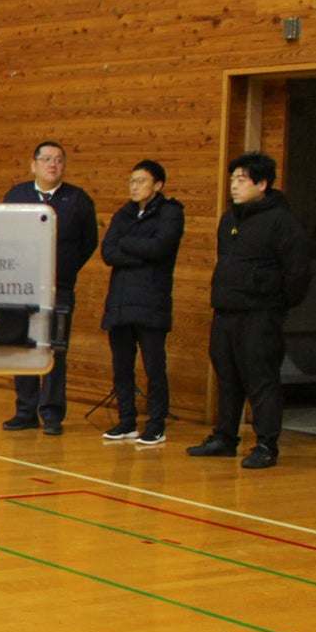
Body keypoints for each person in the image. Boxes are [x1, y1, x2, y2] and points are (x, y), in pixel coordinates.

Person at [187, 153, 310, 469]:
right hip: (226, 311)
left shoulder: (282, 222)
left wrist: (275, 303)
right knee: (227, 376)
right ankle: (225, 437)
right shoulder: (229, 219)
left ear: (262, 184)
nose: (234, 185)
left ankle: (267, 444)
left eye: (242, 179)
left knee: (261, 379)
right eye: (232, 179)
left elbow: (297, 274)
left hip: (261, 314)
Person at [1, 141, 97, 434]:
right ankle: (26, 410)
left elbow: (88, 242)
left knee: (55, 349)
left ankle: (52, 414)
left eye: (59, 160)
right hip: (23, 287)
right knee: (24, 347)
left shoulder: (77, 199)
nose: (53, 165)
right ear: (34, 165)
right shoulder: (17, 196)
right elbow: (4, 235)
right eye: (46, 159)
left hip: (59, 287)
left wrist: (64, 269)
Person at [98, 160, 183, 444]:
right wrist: (138, 250)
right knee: (122, 365)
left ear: (158, 185)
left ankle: (156, 423)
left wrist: (128, 243)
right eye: (132, 180)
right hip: (120, 300)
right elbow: (108, 251)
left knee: (154, 366)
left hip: (151, 300)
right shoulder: (123, 213)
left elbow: (160, 247)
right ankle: (126, 421)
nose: (134, 186)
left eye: (141, 181)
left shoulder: (170, 213)